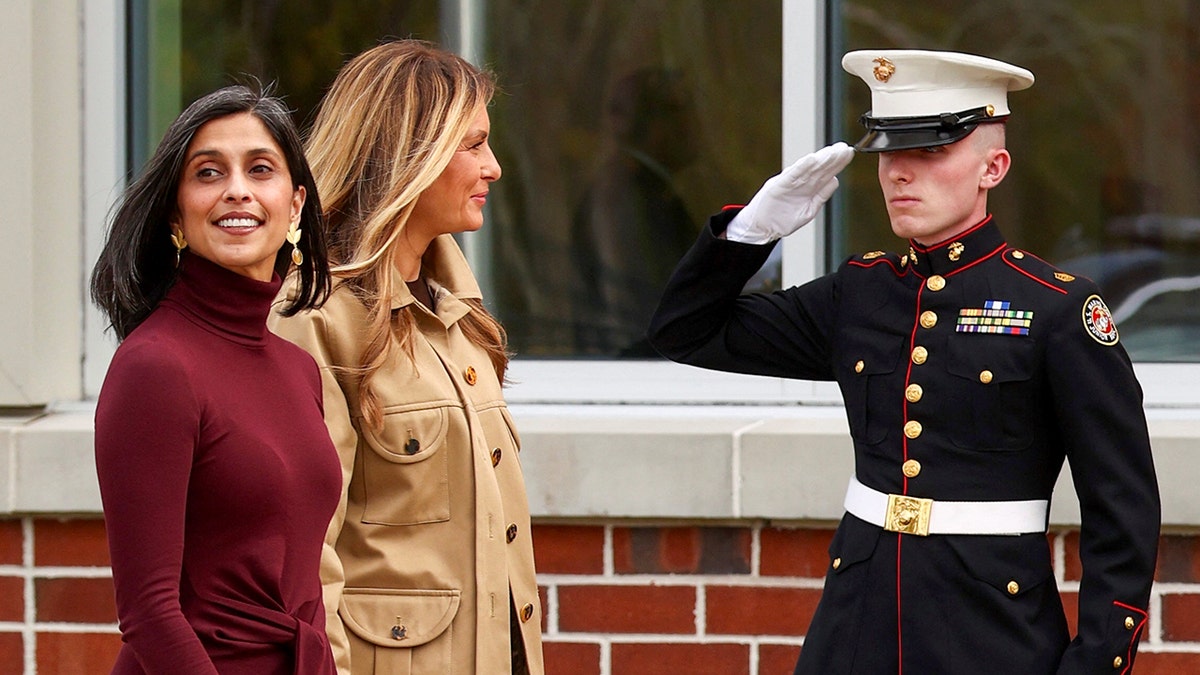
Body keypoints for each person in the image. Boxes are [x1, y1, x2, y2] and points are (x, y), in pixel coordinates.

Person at [648, 49, 1160, 674]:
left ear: (992, 168)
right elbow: (684, 332)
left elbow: (1122, 509)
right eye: (891, 151)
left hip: (991, 630)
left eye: (930, 151)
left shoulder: (1055, 308)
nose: (899, 174)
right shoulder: (862, 293)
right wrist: (750, 234)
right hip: (856, 622)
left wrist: (1094, 663)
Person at [268, 40, 544, 675]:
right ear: (406, 154)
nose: (494, 167)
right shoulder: (313, 318)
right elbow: (304, 555)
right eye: (473, 144)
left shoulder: (460, 313)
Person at [91, 84, 338, 674]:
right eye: (208, 173)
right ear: (176, 211)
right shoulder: (155, 366)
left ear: (296, 203)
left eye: (260, 169)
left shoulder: (298, 368)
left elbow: (303, 582)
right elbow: (148, 613)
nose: (237, 190)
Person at [569, 67, 699, 356]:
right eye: (683, 114)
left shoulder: (644, 189)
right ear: (656, 124)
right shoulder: (623, 196)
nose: (695, 128)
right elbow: (632, 306)